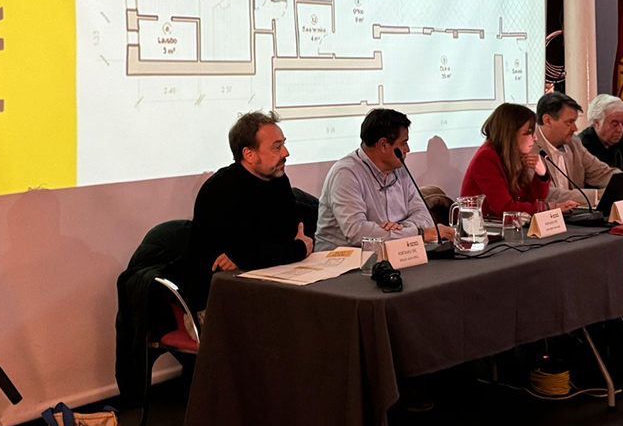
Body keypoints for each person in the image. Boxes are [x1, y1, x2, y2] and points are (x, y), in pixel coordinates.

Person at [184, 110, 313, 310]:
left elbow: (284, 237)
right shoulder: (221, 189)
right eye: (277, 147)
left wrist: (254, 255)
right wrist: (299, 249)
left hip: (267, 285)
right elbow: (249, 253)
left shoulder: (278, 180)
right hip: (216, 301)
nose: (286, 153)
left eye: (284, 144)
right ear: (249, 155)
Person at [315, 108, 455, 251]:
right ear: (383, 145)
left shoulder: (399, 169)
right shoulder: (346, 175)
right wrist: (417, 233)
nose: (408, 149)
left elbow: (425, 216)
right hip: (340, 259)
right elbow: (358, 233)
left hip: (392, 254)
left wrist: (399, 229)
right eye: (403, 143)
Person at [536, 92, 623, 206]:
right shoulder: (531, 148)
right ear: (548, 121)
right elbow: (548, 194)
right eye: (569, 122)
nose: (575, 128)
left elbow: (603, 173)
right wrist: (597, 195)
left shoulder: (574, 144)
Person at [461, 102, 577, 216]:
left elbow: (528, 201)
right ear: (510, 134)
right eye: (529, 133)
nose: (535, 138)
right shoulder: (485, 159)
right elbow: (505, 208)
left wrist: (542, 175)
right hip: (480, 226)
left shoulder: (514, 155)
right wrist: (550, 207)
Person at [579, 94, 623, 172]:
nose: (620, 130)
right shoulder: (582, 146)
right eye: (614, 124)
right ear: (597, 123)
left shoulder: (620, 143)